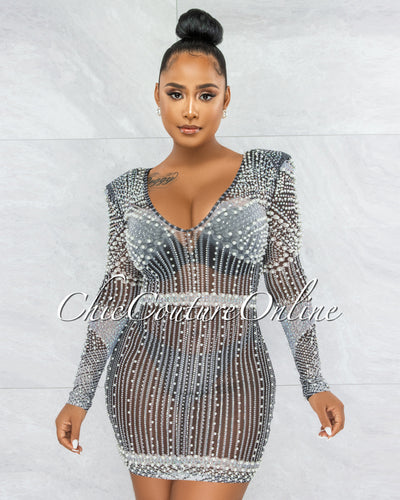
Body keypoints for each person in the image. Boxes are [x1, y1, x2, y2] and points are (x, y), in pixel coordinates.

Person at [55, 8, 345, 500]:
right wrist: (79, 396)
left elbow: (289, 284)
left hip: (237, 382)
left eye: (205, 95)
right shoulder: (125, 190)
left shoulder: (268, 174)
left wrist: (314, 382)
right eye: (177, 94)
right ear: (157, 96)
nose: (190, 109)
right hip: (142, 382)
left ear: (226, 98)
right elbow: (114, 296)